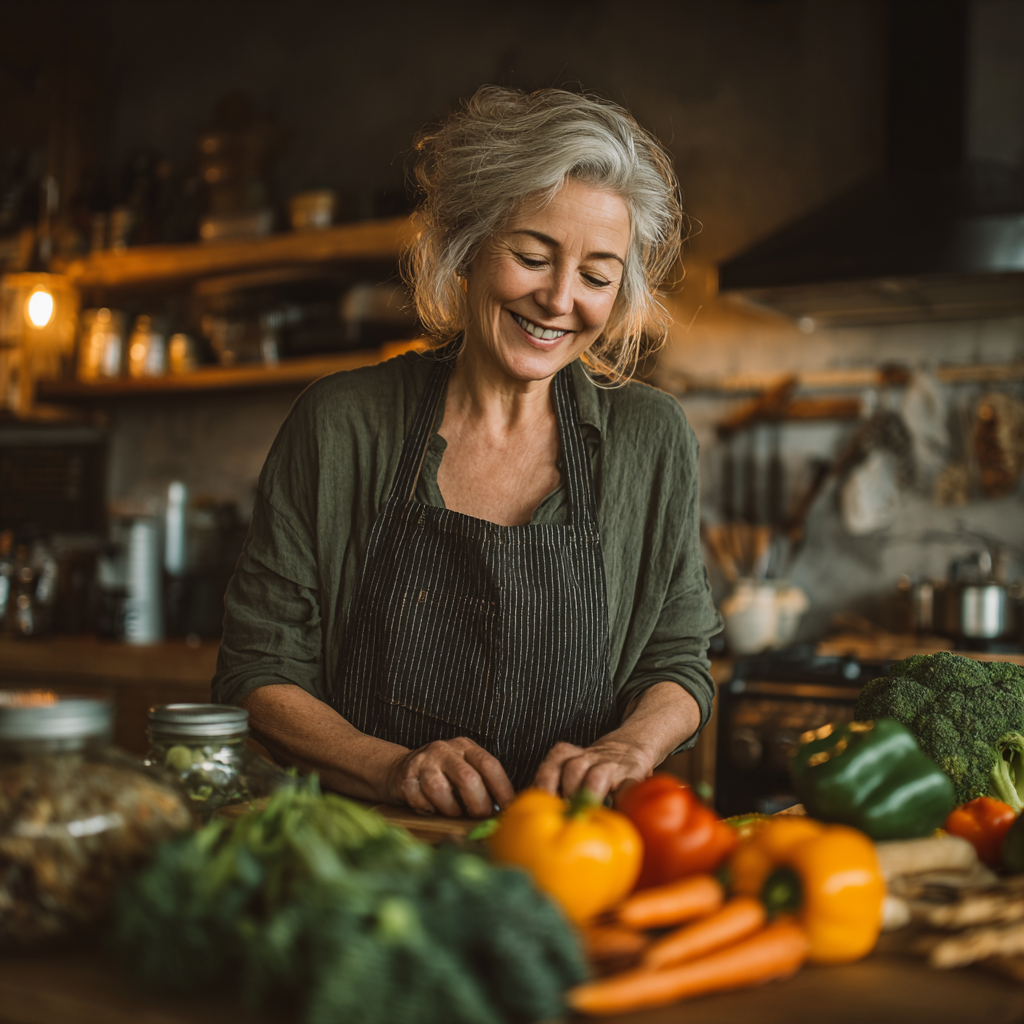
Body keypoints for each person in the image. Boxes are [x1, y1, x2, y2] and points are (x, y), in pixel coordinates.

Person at [213, 86, 722, 818]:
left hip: (574, 862)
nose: (557, 299)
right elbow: (258, 671)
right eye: (532, 256)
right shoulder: (342, 422)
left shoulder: (651, 437)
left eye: (597, 276)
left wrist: (630, 749)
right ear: (467, 246)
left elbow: (677, 659)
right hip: (365, 858)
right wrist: (392, 770)